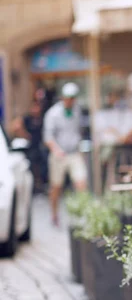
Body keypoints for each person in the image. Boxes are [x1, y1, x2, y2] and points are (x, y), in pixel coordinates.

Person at [43, 82, 88, 226]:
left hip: (74, 153)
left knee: (81, 183)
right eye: (69, 97)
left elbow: (78, 131)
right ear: (63, 97)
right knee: (56, 186)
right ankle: (54, 215)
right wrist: (56, 150)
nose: (71, 100)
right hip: (59, 154)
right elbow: (48, 137)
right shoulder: (53, 113)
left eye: (73, 97)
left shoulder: (77, 110)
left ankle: (83, 215)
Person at [10, 101, 48, 193]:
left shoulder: (42, 119)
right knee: (30, 166)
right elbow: (15, 126)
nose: (36, 110)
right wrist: (25, 135)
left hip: (39, 146)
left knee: (44, 165)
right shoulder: (27, 119)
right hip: (30, 147)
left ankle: (42, 184)